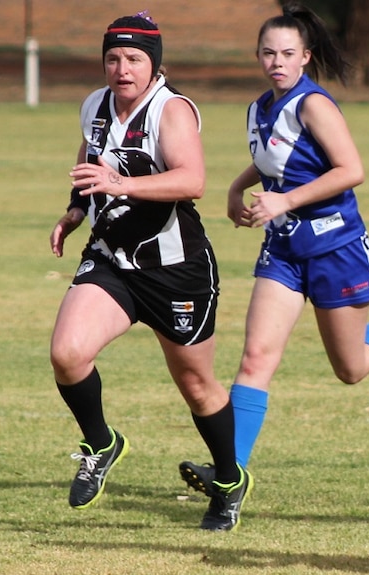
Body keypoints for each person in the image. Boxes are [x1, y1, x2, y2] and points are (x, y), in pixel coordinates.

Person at [178, 2, 369, 496]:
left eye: (287, 53)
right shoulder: (259, 107)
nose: (277, 61)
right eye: (268, 53)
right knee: (255, 358)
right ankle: (230, 476)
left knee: (351, 368)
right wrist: (237, 187)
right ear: (258, 56)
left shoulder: (315, 103)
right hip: (285, 250)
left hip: (336, 247)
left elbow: (350, 169)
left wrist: (285, 200)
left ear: (305, 57)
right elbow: (275, 157)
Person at [48, 13, 250, 531]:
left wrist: (121, 184)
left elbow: (193, 180)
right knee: (67, 353)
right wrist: (76, 209)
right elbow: (91, 156)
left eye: (134, 58)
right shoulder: (95, 104)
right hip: (113, 259)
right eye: (113, 58)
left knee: (196, 383)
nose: (122, 68)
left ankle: (228, 481)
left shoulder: (171, 110)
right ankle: (101, 443)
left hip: (176, 269)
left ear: (154, 64)